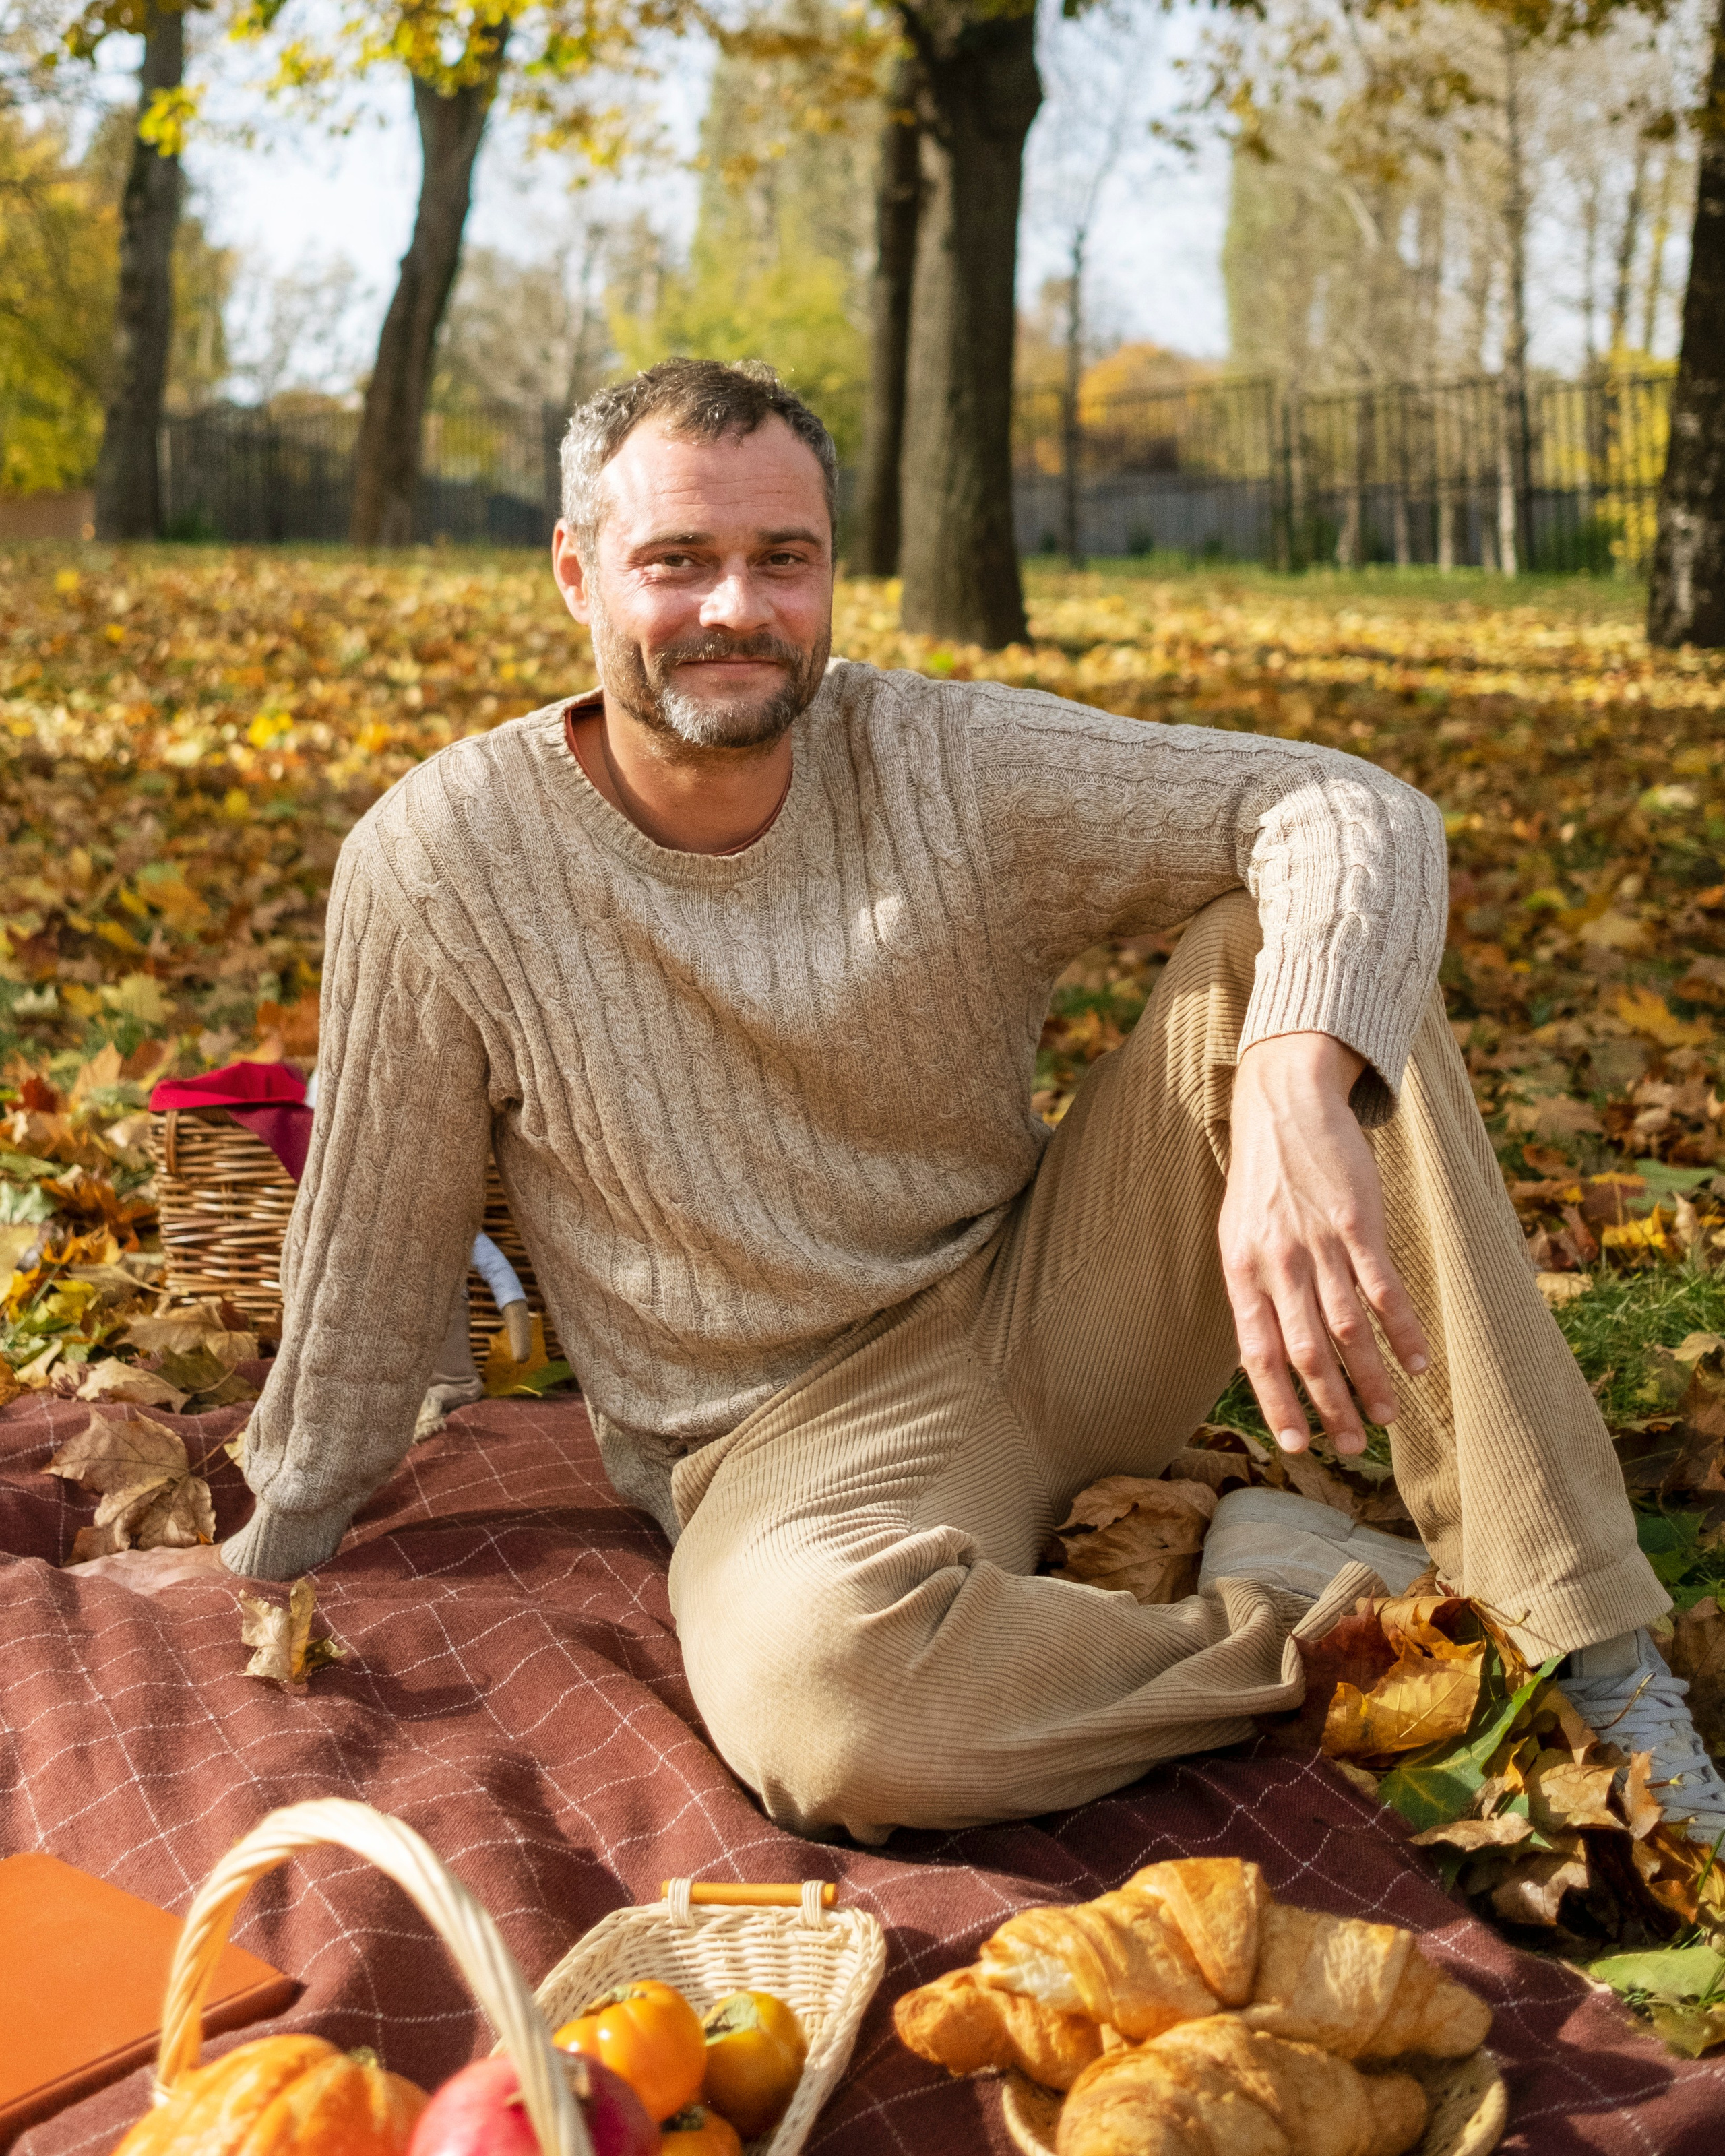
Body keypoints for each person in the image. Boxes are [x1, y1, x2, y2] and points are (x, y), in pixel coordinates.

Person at [90, 358, 1723, 1849]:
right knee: (828, 1715)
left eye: (782, 558)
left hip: (1046, 1310)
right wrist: (277, 1535)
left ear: (829, 570)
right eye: (677, 562)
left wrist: (1296, 1080)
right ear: (579, 572)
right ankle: (1321, 1619)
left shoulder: (942, 760)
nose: (736, 606)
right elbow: (374, 1238)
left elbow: (1348, 806)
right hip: (774, 1449)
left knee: (1288, 962)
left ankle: (1591, 1646)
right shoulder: (442, 861)